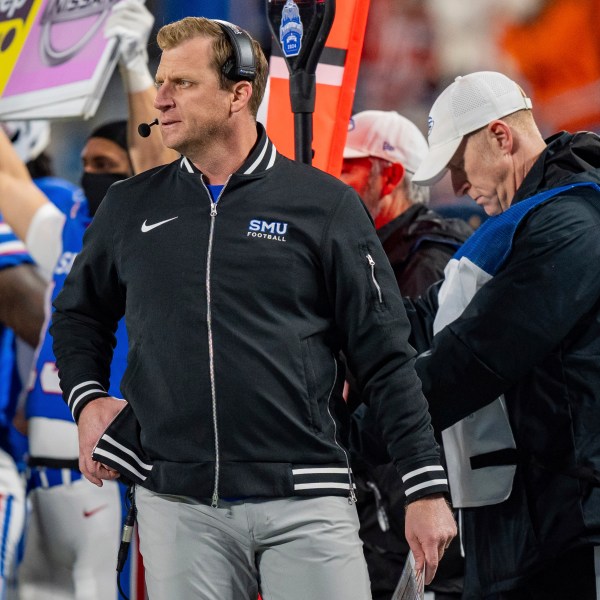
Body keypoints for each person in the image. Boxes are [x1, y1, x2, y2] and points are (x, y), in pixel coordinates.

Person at [50, 17, 456, 600]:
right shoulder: (128, 206)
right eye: (161, 81)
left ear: (240, 93)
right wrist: (87, 400)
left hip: (307, 499)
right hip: (177, 503)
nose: (160, 98)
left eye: (182, 83)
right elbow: (78, 316)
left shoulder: (325, 206)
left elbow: (387, 358)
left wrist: (423, 488)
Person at [407, 71, 600, 599]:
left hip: (575, 526)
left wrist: (347, 436)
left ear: (500, 136)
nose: (456, 189)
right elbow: (423, 318)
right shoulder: (521, 225)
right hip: (536, 524)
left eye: (456, 166)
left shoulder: (572, 223)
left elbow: (471, 362)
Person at [341, 110, 471, 599]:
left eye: (346, 166)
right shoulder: (369, 254)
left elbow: (417, 384)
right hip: (387, 493)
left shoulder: (428, 258)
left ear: (389, 175)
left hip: (415, 501)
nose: (329, 177)